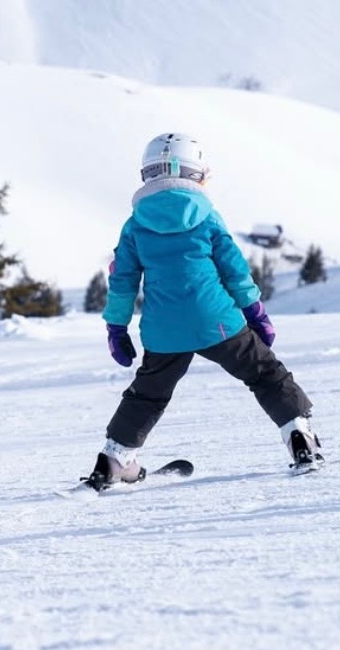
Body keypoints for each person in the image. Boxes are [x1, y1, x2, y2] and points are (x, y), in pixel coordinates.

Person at [87, 133, 323, 488]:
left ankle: (114, 460)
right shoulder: (207, 216)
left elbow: (123, 281)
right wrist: (254, 310)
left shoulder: (135, 225)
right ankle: (299, 437)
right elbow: (234, 269)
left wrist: (116, 328)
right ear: (195, 173)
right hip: (218, 322)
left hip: (164, 331)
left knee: (147, 395)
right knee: (265, 374)